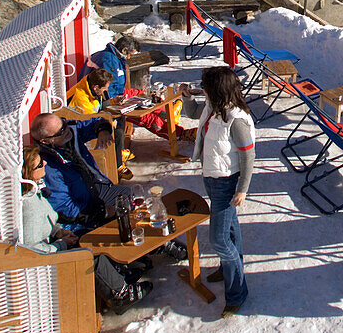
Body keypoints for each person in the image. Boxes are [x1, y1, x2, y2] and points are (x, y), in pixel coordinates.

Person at [21, 146, 152, 314]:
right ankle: (121, 295)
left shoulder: (35, 193)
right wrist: (61, 244)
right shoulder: (29, 209)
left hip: (55, 242)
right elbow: (32, 253)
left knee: (88, 237)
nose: (45, 163)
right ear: (28, 174)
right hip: (48, 261)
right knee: (88, 253)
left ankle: (120, 275)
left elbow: (50, 219)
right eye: (40, 165)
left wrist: (58, 231)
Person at [179, 67, 255, 318]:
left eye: (205, 84)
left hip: (227, 183)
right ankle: (227, 267)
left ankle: (237, 293)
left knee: (219, 240)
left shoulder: (237, 119)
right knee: (230, 229)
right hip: (211, 177)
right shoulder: (213, 106)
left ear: (217, 88)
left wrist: (242, 190)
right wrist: (187, 96)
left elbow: (248, 158)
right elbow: (191, 113)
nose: (202, 87)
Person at [30, 112, 129, 234]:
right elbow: (65, 209)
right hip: (80, 214)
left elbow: (96, 122)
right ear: (45, 141)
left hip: (92, 187)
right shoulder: (48, 167)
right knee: (121, 215)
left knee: (126, 196)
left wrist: (103, 131)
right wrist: (103, 213)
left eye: (63, 123)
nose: (66, 130)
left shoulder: (70, 132)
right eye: (60, 131)